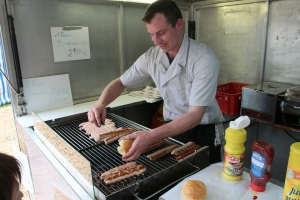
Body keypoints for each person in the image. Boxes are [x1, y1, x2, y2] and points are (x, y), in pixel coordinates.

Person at [88, 0, 225, 164]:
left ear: (179, 24)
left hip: (204, 130)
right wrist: (101, 104)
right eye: (151, 34)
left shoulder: (203, 59)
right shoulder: (152, 57)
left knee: (205, 180)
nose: (156, 41)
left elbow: (195, 115)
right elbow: (120, 83)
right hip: (172, 129)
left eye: (161, 32)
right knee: (175, 179)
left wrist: (151, 135)